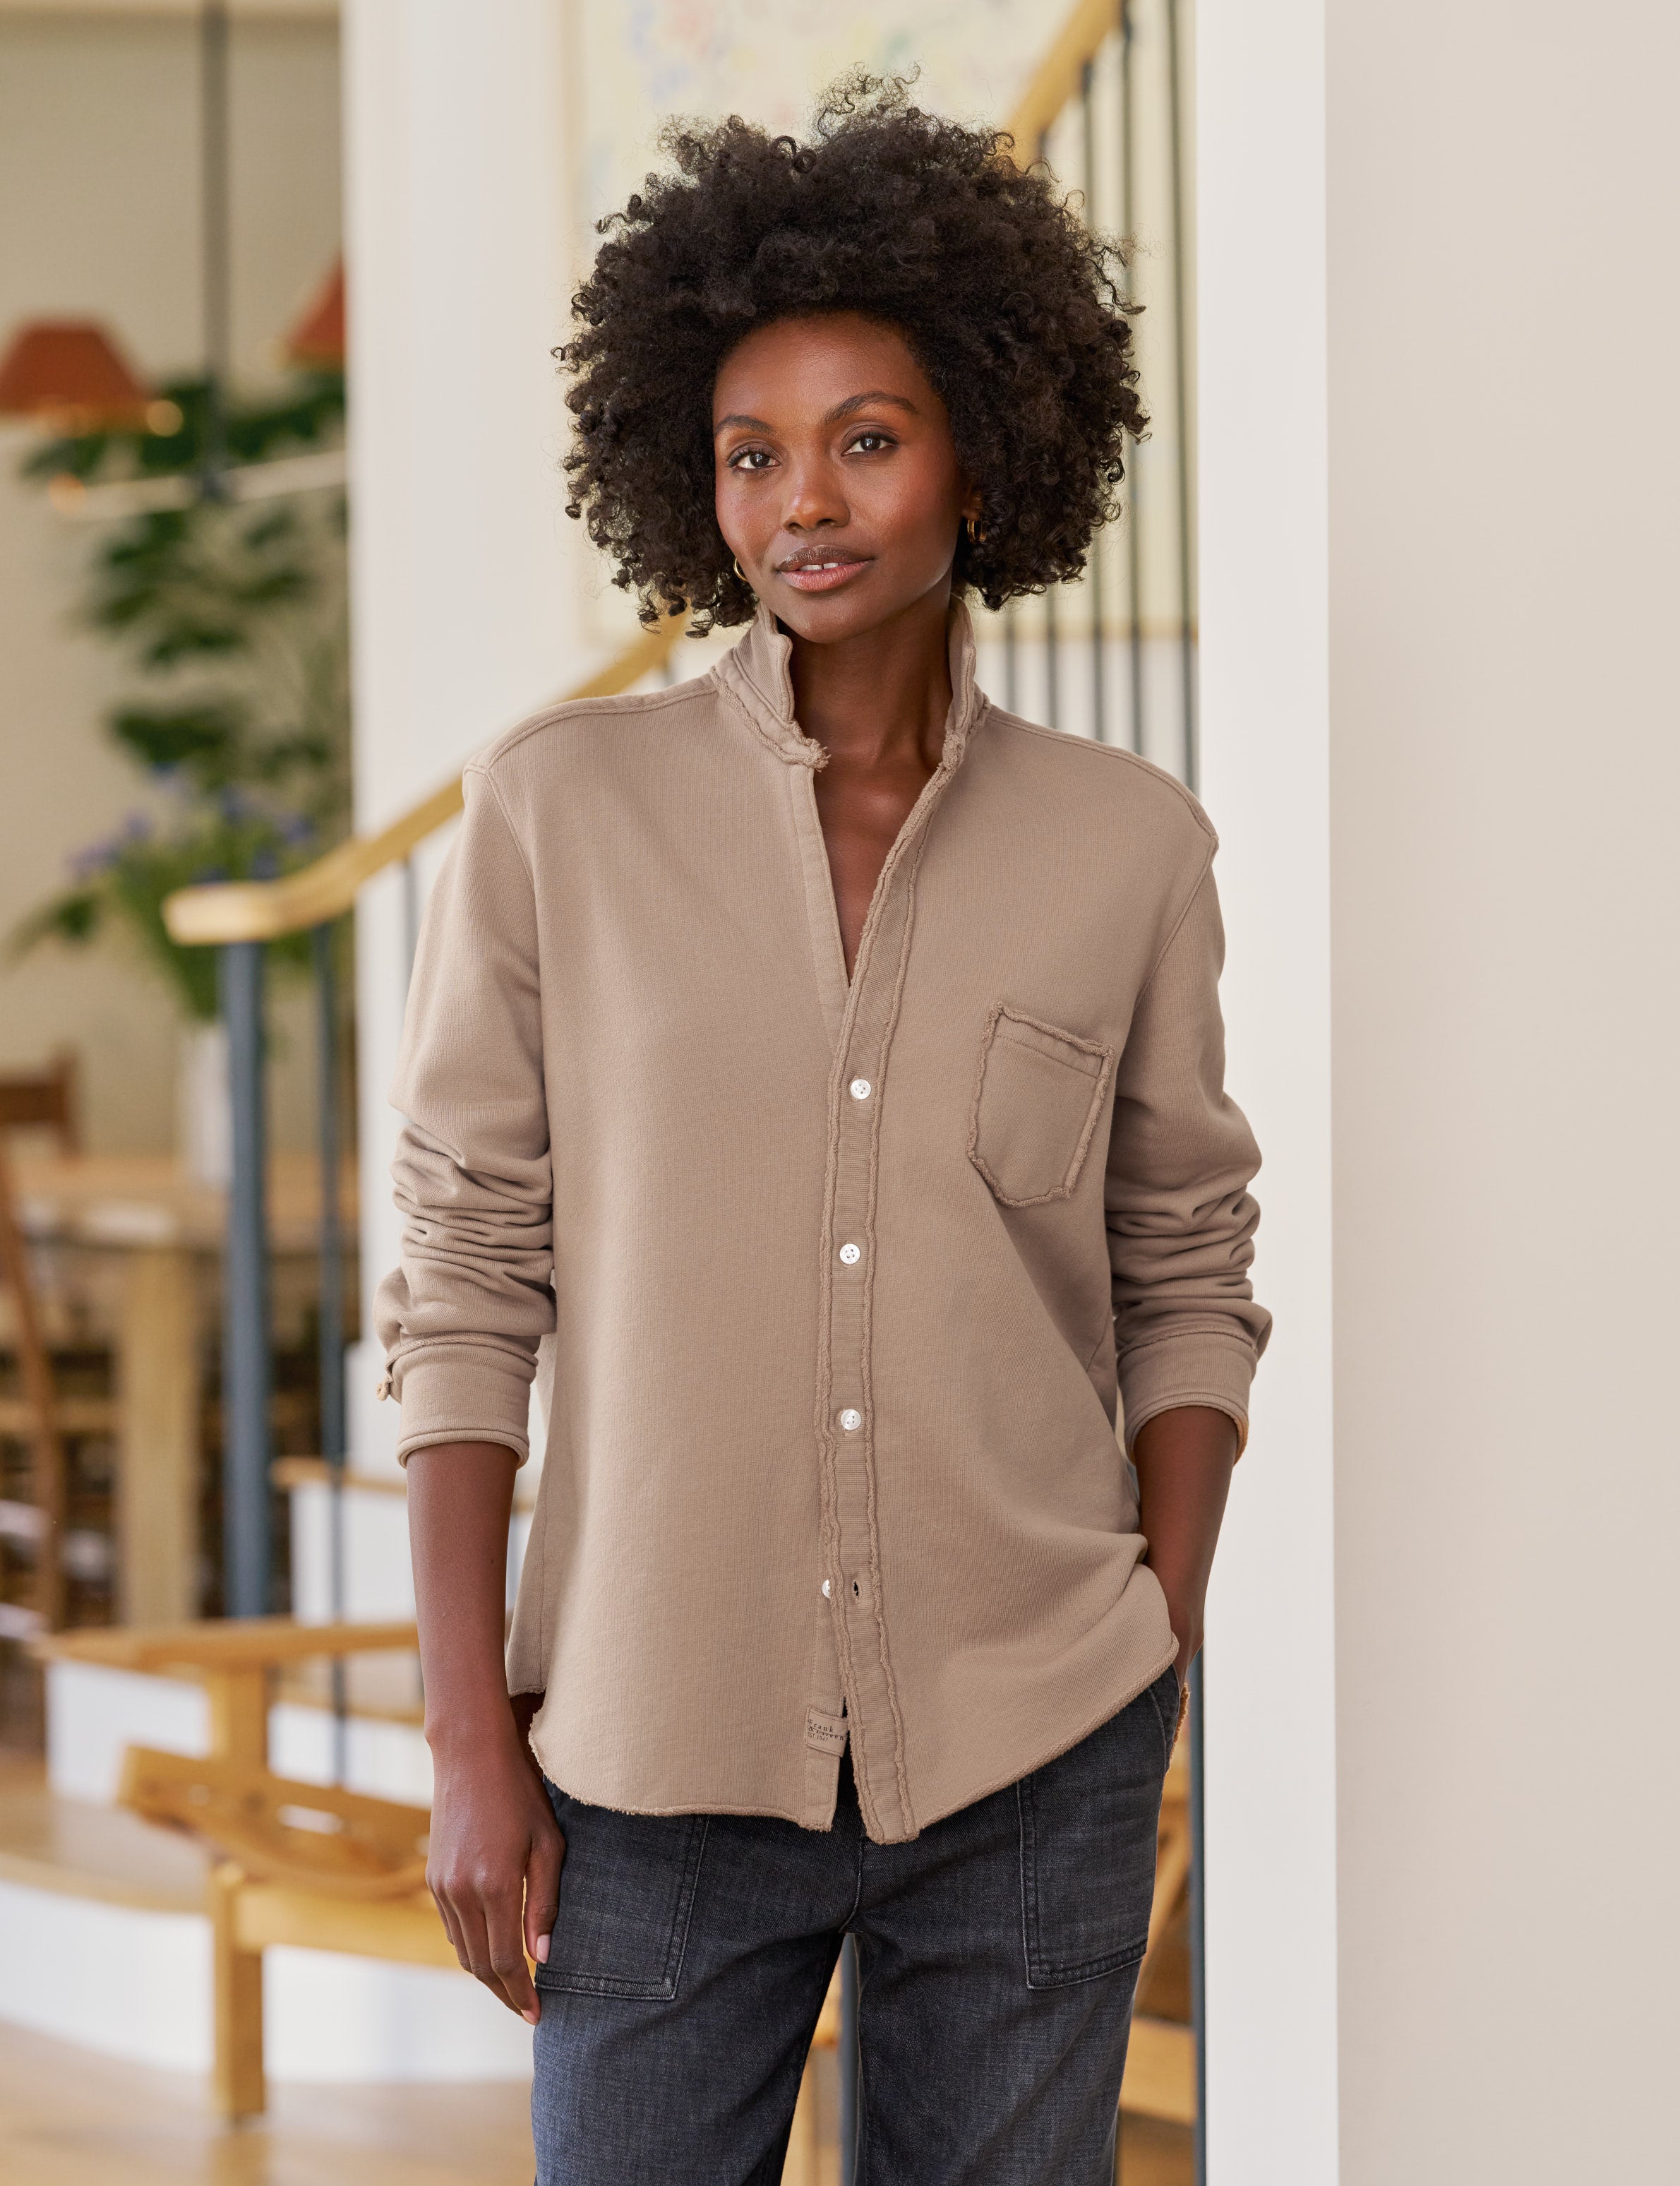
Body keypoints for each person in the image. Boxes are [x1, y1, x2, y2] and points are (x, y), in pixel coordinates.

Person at [377, 77, 1269, 2186]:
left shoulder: (1125, 847)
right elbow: (464, 1275)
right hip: (647, 1759)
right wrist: (468, 1742)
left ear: (983, 444)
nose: (805, 500)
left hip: (1032, 1745)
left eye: (864, 437)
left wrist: (1154, 1622)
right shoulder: (553, 814)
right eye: (750, 453)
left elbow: (1183, 1261)